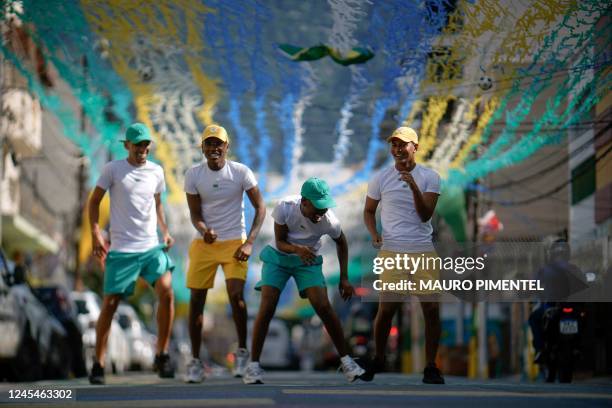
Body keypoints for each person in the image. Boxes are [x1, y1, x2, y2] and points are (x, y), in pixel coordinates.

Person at [244, 177, 365, 384]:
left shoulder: (329, 220)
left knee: (323, 306)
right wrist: (296, 249)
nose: (322, 212)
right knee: (267, 306)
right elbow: (281, 242)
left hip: (307, 260)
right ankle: (253, 366)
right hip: (279, 258)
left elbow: (341, 243)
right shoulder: (285, 208)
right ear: (305, 202)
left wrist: (344, 278)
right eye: (318, 207)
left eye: (325, 207)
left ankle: (347, 362)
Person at [88, 123, 176, 384]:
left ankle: (162, 353)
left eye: (145, 144)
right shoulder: (113, 170)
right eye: (137, 144)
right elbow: (94, 201)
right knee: (110, 304)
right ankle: (99, 362)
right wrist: (95, 233)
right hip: (122, 250)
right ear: (127, 145)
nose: (142, 148)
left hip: (150, 247)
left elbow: (157, 204)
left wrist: (166, 231)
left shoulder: (156, 172)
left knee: (167, 292)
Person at [184, 124, 266, 383]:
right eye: (209, 144)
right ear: (203, 148)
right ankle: (195, 362)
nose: (214, 148)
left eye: (218, 143)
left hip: (234, 242)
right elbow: (195, 213)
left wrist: (249, 242)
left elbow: (261, 207)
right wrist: (203, 228)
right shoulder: (194, 175)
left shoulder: (241, 172)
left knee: (235, 296)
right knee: (196, 301)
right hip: (205, 243)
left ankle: (242, 352)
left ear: (227, 147)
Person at [363, 126, 444, 384]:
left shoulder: (430, 177)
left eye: (403, 145)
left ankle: (431, 366)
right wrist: (374, 233)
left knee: (431, 309)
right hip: (393, 250)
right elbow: (368, 211)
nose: (397, 150)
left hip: (422, 250)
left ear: (415, 148)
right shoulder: (380, 178)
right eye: (394, 145)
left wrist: (413, 187)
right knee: (387, 310)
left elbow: (425, 215)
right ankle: (378, 358)